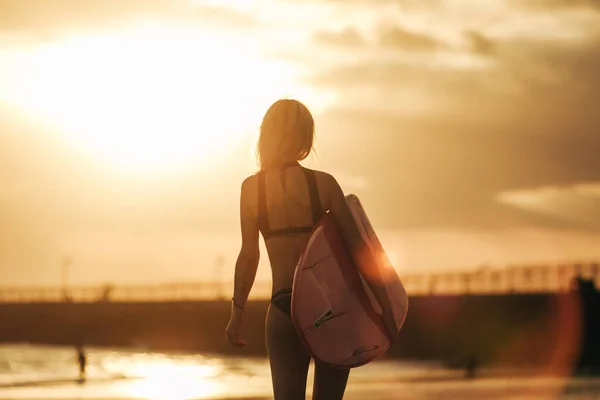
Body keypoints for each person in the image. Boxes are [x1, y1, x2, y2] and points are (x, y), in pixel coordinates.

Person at [225, 99, 398, 400]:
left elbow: (248, 256)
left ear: (266, 135)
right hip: (332, 309)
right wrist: (386, 307)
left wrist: (236, 314)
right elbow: (361, 252)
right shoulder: (325, 185)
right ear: (305, 136)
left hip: (283, 307)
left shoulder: (252, 189)